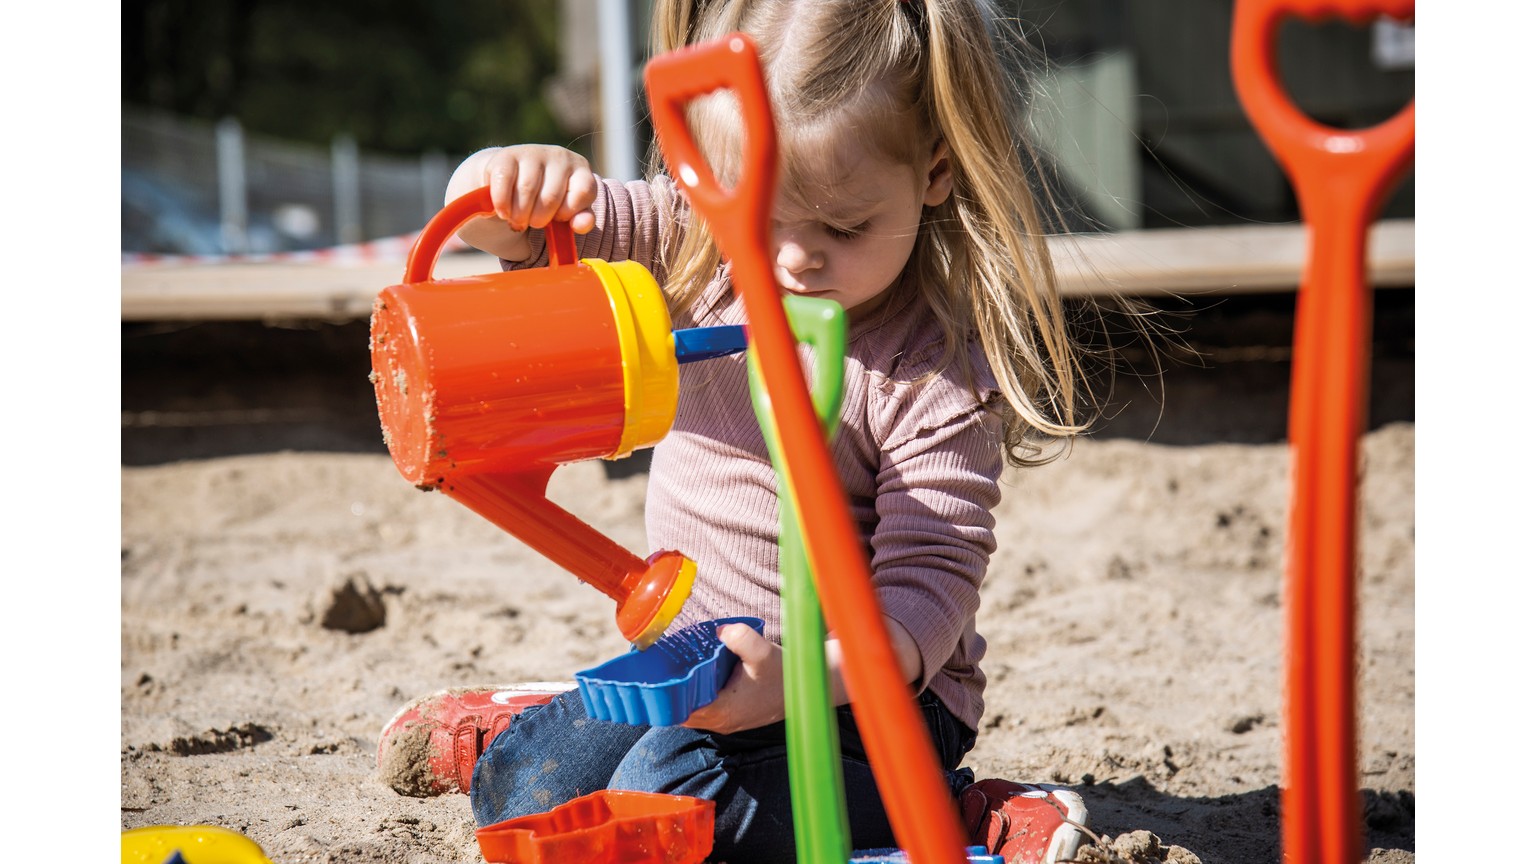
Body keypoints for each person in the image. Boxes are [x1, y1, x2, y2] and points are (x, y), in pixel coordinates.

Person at [378, 0, 1122, 861]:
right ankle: (540, 723)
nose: (795, 259)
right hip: (693, 664)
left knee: (672, 794)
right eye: (762, 219)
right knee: (523, 787)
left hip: (871, 704)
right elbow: (493, 225)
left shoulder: (932, 373)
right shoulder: (692, 244)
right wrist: (510, 181)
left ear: (936, 172)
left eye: (844, 227)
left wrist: (794, 686)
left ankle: (960, 809)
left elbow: (925, 610)